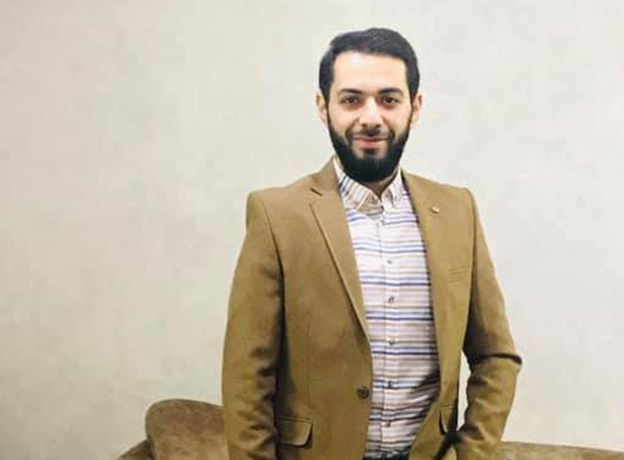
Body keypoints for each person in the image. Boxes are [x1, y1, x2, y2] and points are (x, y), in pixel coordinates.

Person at [222, 27, 521, 460]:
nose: (371, 117)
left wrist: (470, 454)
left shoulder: (458, 211)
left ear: (415, 107)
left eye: (388, 99)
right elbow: (247, 375)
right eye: (351, 99)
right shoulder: (277, 215)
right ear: (323, 106)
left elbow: (496, 356)